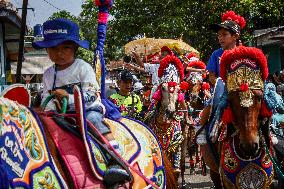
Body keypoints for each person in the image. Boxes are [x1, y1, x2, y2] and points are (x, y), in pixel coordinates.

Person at [32, 18, 130, 186]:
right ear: (46, 49)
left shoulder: (83, 68)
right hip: (60, 114)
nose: (59, 53)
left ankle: (115, 159)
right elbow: (46, 99)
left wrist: (68, 98)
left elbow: (92, 94)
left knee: (93, 120)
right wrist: (47, 112)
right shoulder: (48, 73)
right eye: (53, 48)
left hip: (87, 109)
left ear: (75, 48)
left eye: (65, 47)